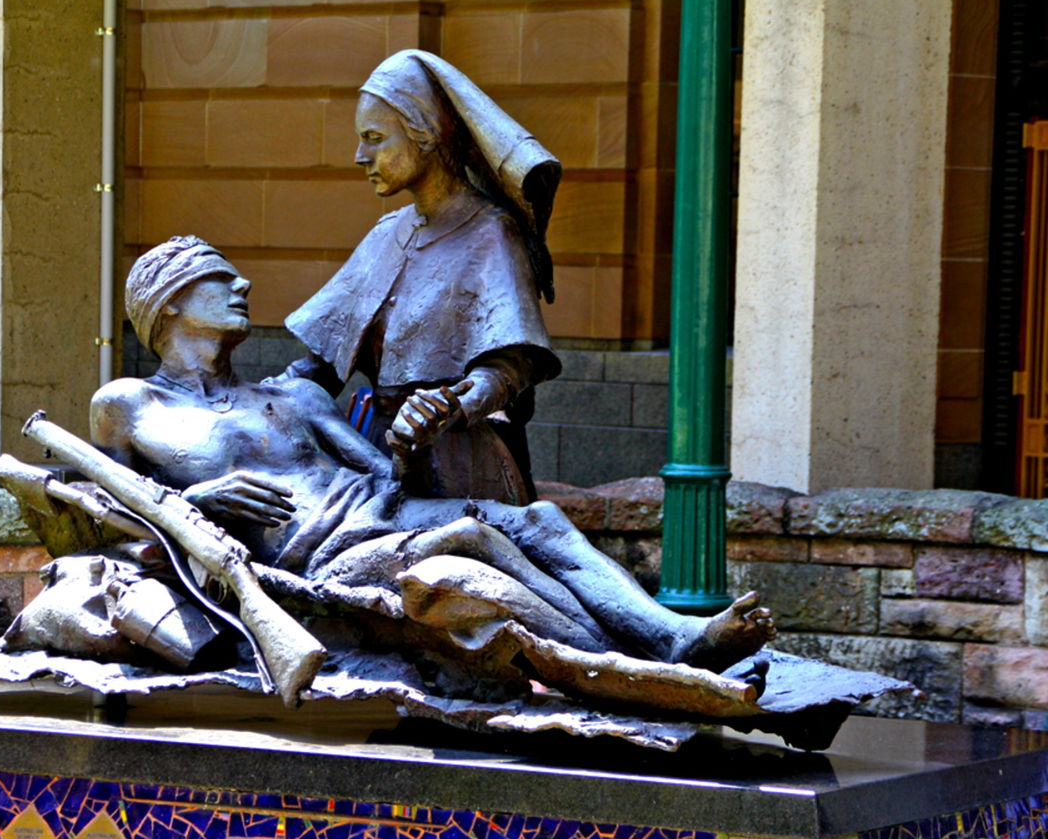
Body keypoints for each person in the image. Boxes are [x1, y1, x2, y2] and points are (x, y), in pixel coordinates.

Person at [91, 237, 774, 678]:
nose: (244, 285)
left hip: (384, 513)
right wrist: (197, 504)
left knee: (534, 517)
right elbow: (97, 516)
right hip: (318, 558)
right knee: (471, 537)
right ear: (171, 300)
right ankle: (635, 663)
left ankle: (667, 636)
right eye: (221, 279)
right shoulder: (126, 405)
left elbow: (389, 478)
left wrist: (410, 443)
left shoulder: (292, 395)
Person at [284, 50, 563, 505]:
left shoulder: (491, 232)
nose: (360, 156)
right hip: (372, 454)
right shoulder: (383, 235)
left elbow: (510, 365)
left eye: (374, 138)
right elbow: (321, 364)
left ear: (426, 134)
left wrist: (449, 406)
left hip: (458, 464)